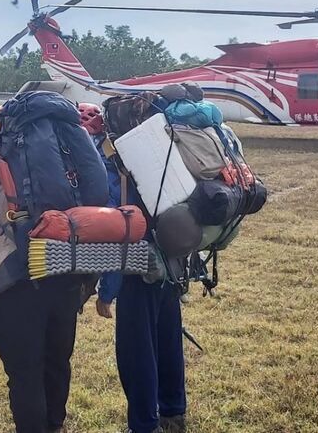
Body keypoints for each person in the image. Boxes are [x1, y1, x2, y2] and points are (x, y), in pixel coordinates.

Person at [0, 103, 94, 433]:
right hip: (64, 276)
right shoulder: (65, 166)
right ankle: (55, 425)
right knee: (57, 363)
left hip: (12, 286)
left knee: (24, 372)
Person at [88, 101, 188, 433]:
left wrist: (106, 290)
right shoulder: (162, 151)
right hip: (173, 259)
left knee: (137, 352)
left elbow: (118, 227)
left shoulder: (116, 162)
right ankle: (173, 409)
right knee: (169, 339)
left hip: (137, 270)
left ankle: (144, 424)